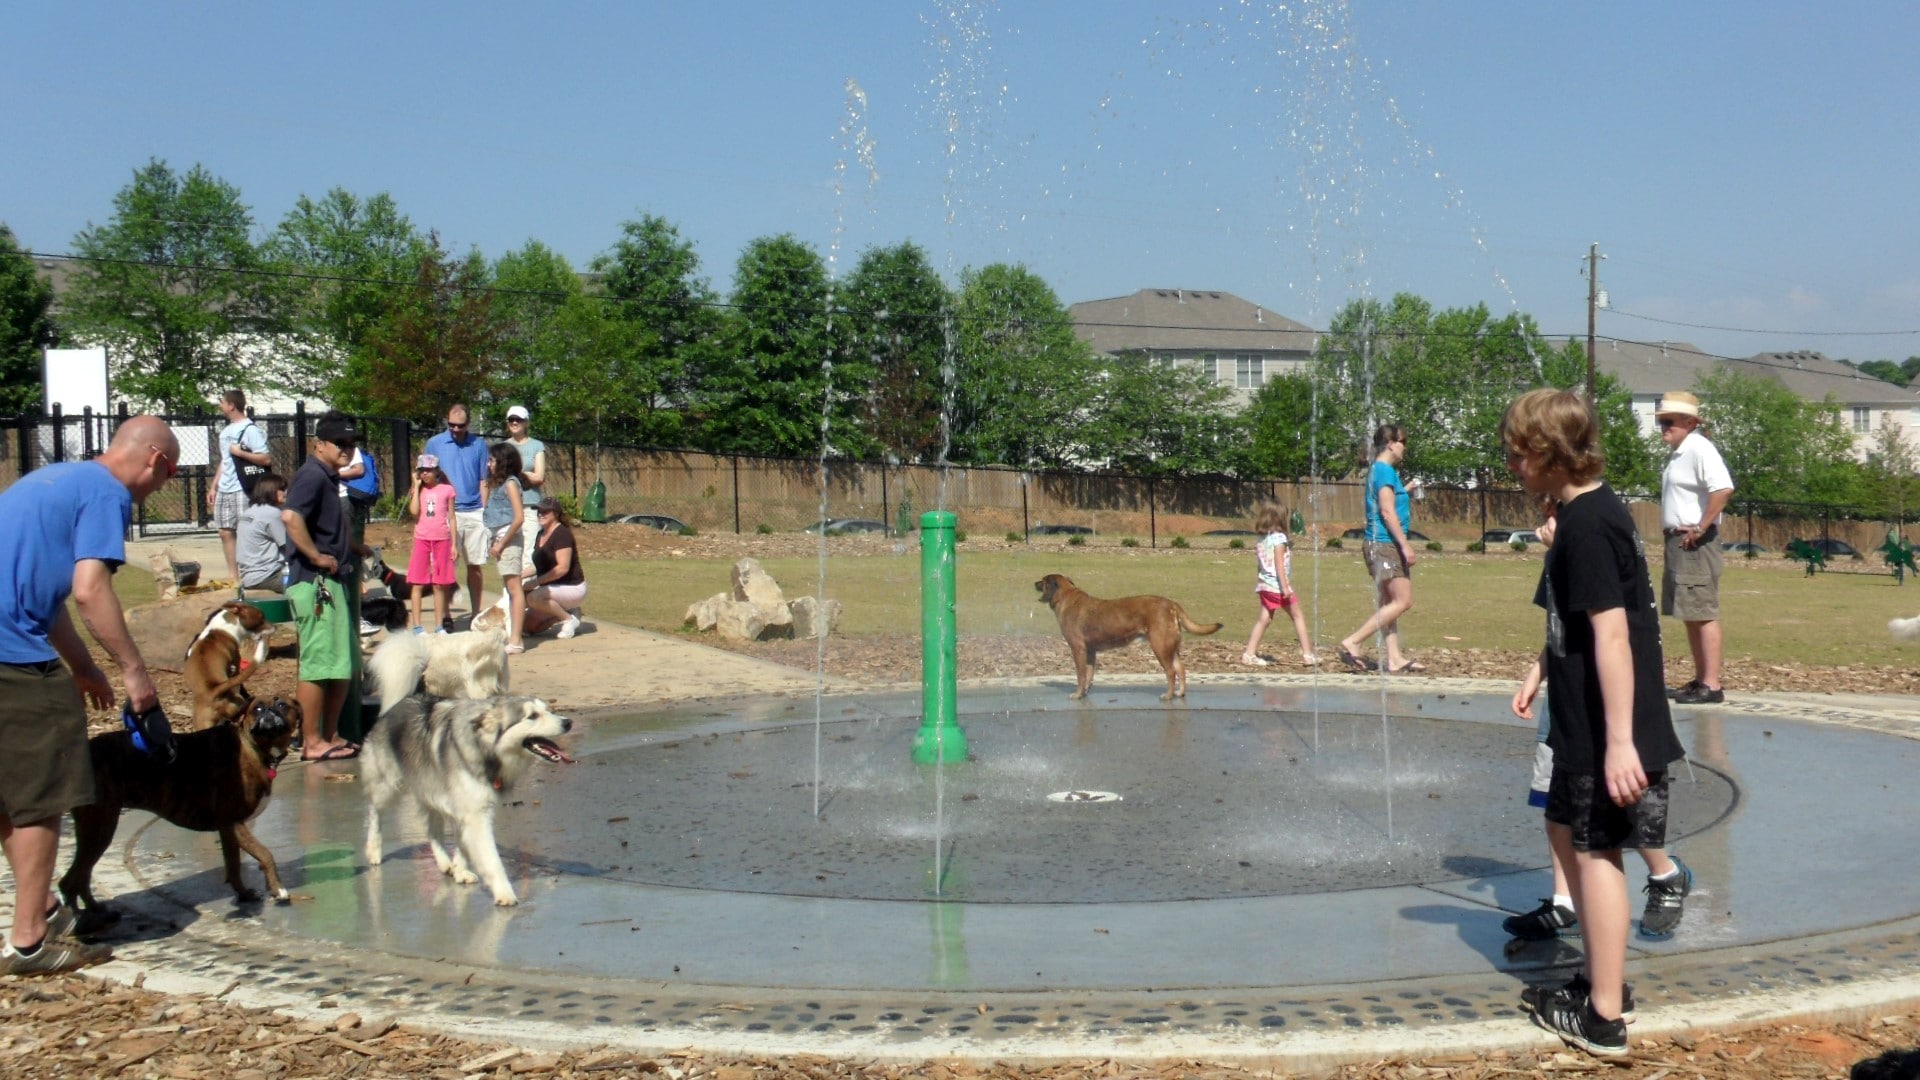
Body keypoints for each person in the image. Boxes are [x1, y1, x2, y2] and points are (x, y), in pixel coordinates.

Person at [1501, 388, 1686, 1058]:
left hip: (1613, 729)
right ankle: (1598, 981)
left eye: (1520, 455)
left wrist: (1617, 743)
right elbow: (1577, 628)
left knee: (1599, 855)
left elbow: (1612, 636)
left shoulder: (1585, 526)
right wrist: (1540, 671)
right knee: (1590, 848)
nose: (1514, 467)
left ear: (1552, 454)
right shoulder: (1593, 515)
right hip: (1596, 722)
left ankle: (1603, 1016)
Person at [0, 415, 178, 975]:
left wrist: (83, 669)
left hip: (11, 637)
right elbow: (89, 589)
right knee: (44, 794)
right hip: (12, 656)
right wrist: (133, 673)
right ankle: (29, 942)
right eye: (167, 476)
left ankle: (45, 908)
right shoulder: (107, 493)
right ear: (155, 459)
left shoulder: (54, 479)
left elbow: (45, 596)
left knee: (9, 793)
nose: (159, 488)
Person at [1505, 508, 1695, 948]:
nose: (1544, 523)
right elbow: (1560, 629)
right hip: (1563, 697)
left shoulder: (1590, 543)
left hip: (1598, 699)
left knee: (1622, 809)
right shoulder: (1561, 556)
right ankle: (1564, 901)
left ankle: (1666, 875)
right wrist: (1536, 675)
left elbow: (1608, 633)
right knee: (1554, 806)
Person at [283, 411, 371, 762]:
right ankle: (311, 741)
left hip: (331, 582)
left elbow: (326, 523)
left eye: (352, 444)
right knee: (319, 665)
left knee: (342, 664)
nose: (348, 449)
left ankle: (330, 735)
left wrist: (351, 547)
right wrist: (316, 557)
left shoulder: (328, 476)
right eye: (341, 443)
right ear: (319, 444)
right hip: (314, 583)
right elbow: (291, 518)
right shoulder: (311, 476)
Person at [1655, 391, 1735, 705]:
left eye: (1670, 421)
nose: (1664, 427)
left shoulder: (1700, 447)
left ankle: (1712, 684)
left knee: (1702, 611)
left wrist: (1701, 526)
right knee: (1690, 612)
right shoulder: (1680, 451)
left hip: (1695, 543)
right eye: (1661, 421)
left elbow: (1723, 488)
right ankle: (1700, 679)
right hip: (1678, 541)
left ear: (1690, 422)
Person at [1337, 424, 1423, 673]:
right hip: (1385, 543)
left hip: (1380, 544)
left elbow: (1387, 501)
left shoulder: (1382, 472)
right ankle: (1353, 640)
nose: (1404, 447)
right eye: (1403, 441)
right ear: (1391, 444)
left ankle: (1394, 658)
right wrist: (1405, 546)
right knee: (1403, 601)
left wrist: (1405, 491)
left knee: (1389, 602)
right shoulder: (1384, 471)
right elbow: (1386, 511)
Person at [423, 404, 490, 627]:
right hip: (446, 511)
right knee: (444, 566)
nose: (455, 429)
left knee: (475, 565)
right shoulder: (435, 443)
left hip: (474, 511)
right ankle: (445, 616)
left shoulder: (479, 444)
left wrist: (485, 510)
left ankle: (476, 614)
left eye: (460, 425)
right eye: (451, 424)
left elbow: (484, 480)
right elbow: (427, 478)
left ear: (468, 424)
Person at [209, 390, 271, 589]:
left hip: (241, 488)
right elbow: (225, 461)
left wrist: (241, 452)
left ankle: (250, 575)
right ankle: (233, 577)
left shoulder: (250, 429)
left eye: (222, 402)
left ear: (231, 405)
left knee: (245, 531)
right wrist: (214, 486)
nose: (221, 406)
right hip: (225, 489)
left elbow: (265, 458)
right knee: (224, 531)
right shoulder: (226, 431)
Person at [1240, 503, 1316, 667]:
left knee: (1264, 619)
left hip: (1265, 585)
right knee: (1298, 616)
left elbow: (1260, 564)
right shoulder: (1279, 539)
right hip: (1277, 586)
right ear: (1280, 519)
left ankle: (1249, 654)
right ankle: (1308, 655)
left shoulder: (1261, 539)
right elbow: (1279, 565)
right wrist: (1285, 588)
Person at [481, 442, 527, 654]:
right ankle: (513, 635)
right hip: (502, 541)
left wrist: (501, 543)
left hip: (509, 542)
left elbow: (518, 518)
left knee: (515, 589)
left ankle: (516, 639)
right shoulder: (498, 485)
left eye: (492, 460)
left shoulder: (510, 484)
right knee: (510, 589)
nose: (489, 464)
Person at [406, 455, 458, 635]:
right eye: (422, 470)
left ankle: (439, 625)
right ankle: (417, 626)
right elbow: (414, 512)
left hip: (442, 539)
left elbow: (451, 517)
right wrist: (416, 485)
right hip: (422, 539)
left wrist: (454, 544)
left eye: (429, 470)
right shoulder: (418, 490)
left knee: (439, 584)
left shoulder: (447, 490)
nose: (425, 473)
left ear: (436, 470)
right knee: (418, 583)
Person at [524, 497, 586, 639]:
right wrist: (517, 575)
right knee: (527, 627)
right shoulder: (540, 534)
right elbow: (537, 566)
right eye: (538, 510)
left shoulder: (562, 534)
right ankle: (568, 612)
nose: (540, 513)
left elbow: (562, 568)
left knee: (534, 597)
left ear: (556, 514)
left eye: (545, 511)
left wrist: (536, 582)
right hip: (552, 590)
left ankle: (568, 619)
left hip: (572, 587)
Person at [503, 405, 547, 584]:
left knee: (528, 551)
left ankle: (527, 594)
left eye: (519, 419)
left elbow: (539, 476)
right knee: (510, 552)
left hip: (530, 505)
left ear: (526, 422)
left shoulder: (536, 445)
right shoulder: (504, 446)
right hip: (508, 508)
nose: (515, 423)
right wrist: (525, 475)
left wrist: (516, 474)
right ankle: (510, 595)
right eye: (511, 419)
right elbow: (499, 476)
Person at [235, 473, 290, 595]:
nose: (285, 492)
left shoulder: (249, 512)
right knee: (308, 582)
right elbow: (289, 546)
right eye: (281, 489)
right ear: (270, 491)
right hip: (268, 576)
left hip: (248, 577)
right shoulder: (272, 513)